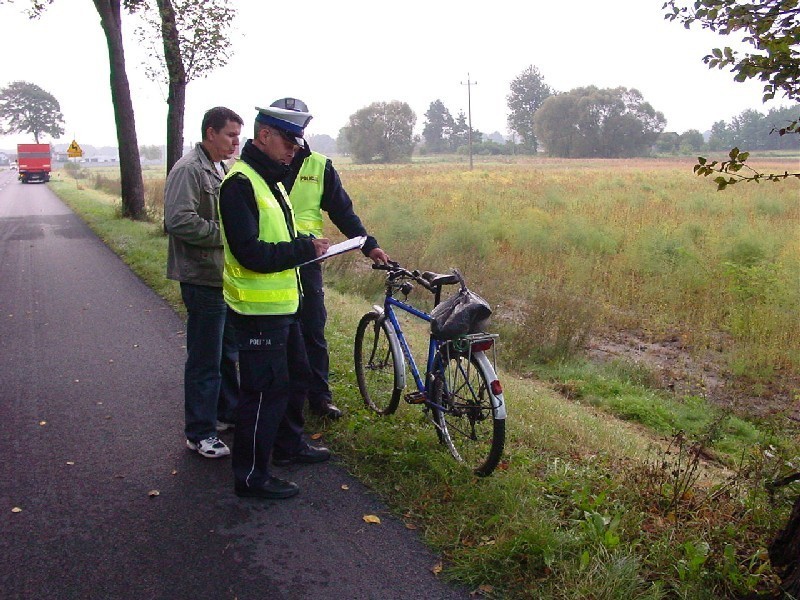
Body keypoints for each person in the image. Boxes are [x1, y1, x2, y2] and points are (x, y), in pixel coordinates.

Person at [218, 103, 332, 500]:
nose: (294, 151)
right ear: (263, 135)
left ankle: (287, 446)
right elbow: (250, 252)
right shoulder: (240, 184)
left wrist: (305, 246)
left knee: (295, 379)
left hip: (284, 307)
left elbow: (279, 237)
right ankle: (251, 476)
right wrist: (303, 251)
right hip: (257, 312)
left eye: (298, 144)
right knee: (262, 395)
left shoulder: (270, 179)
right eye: (287, 141)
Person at [272, 98, 390, 420]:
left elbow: (341, 211)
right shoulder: (262, 165)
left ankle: (319, 398)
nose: (292, 136)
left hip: (308, 263)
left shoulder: (319, 166)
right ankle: (278, 398)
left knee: (313, 329)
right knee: (275, 331)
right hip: (271, 261)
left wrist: (369, 245)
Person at [164, 106, 243, 459]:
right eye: (229, 135)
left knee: (227, 352)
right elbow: (178, 221)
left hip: (221, 276)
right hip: (201, 277)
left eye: (237, 135)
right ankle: (199, 433)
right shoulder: (189, 170)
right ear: (210, 133)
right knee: (205, 358)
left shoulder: (219, 168)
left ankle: (226, 414)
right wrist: (226, 235)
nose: (235, 142)